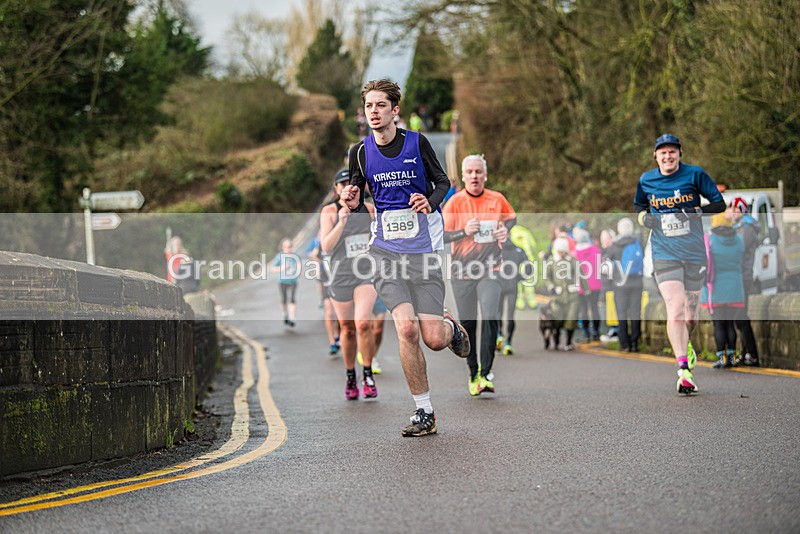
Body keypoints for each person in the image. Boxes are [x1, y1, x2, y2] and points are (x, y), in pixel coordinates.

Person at [341, 79, 470, 437]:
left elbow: (443, 182)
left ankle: (450, 327)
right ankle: (424, 411)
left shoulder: (417, 142)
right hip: (385, 252)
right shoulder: (360, 152)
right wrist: (352, 204)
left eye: (381, 105)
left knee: (434, 339)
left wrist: (430, 200)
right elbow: (358, 206)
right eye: (369, 106)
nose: (374, 111)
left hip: (423, 251)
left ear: (395, 110)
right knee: (406, 328)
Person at [635, 133, 725, 394]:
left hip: (694, 253)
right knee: (674, 308)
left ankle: (687, 343)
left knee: (690, 315)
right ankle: (684, 370)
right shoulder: (646, 179)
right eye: (663, 152)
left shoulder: (695, 175)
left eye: (672, 151)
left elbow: (719, 204)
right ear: (656, 156)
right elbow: (639, 207)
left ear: (679, 154)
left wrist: (697, 211)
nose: (668, 156)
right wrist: (644, 219)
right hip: (664, 253)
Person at [442, 154, 516, 396]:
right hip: (462, 273)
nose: (474, 176)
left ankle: (486, 373)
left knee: (491, 315)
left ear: (485, 175)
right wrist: (464, 231)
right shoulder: (454, 203)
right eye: (470, 172)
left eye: (478, 171)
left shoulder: (497, 199)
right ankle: (473, 372)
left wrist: (505, 231)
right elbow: (441, 235)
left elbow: (511, 219)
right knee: (469, 323)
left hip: (491, 270)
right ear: (463, 176)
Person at [320, 168, 380, 400]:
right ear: (336, 189)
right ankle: (350, 375)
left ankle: (368, 374)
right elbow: (326, 246)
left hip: (365, 272)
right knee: (347, 328)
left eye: (351, 183)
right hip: (341, 274)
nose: (347, 187)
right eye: (342, 184)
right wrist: (342, 222)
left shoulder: (370, 210)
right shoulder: (330, 211)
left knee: (363, 323)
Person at [701, 213, 746, 369]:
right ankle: (732, 357)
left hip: (715, 289)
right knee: (730, 324)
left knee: (719, 324)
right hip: (735, 287)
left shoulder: (710, 240)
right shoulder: (739, 240)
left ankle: (721, 358)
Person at [727, 197, 761, 366]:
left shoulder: (746, 228)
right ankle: (745, 352)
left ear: (741, 210)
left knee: (740, 316)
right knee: (738, 317)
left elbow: (737, 251)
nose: (730, 212)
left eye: (733, 208)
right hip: (737, 277)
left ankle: (752, 354)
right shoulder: (739, 227)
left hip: (742, 277)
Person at [607, 218, 644, 351]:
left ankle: (624, 343)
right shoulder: (637, 242)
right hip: (637, 282)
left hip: (620, 284)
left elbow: (606, 266)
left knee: (622, 313)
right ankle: (635, 343)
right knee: (635, 312)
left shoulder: (615, 245)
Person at [547, 237, 586, 350]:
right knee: (557, 319)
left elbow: (581, 275)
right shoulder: (551, 261)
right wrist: (551, 286)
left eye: (563, 251)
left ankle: (568, 342)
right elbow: (547, 277)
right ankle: (556, 339)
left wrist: (586, 289)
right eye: (560, 251)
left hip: (572, 295)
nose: (562, 253)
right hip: (557, 296)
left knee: (571, 319)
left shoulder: (573, 260)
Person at [307, 234, 340, 355]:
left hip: (340, 280)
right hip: (326, 279)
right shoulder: (322, 243)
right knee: (329, 312)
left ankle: (338, 334)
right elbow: (314, 255)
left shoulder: (340, 238)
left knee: (338, 314)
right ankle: (332, 343)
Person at [496, 237, 529, 355]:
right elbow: (529, 268)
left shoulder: (495, 249)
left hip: (498, 284)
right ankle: (508, 343)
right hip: (512, 284)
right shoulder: (519, 250)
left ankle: (499, 334)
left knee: (498, 313)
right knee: (510, 315)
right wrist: (520, 277)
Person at [573, 227, 602, 341]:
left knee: (583, 309)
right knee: (594, 308)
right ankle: (596, 331)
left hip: (581, 286)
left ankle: (586, 333)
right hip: (595, 285)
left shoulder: (575, 253)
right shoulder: (596, 250)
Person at [272, 238, 301, 327]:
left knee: (292, 299)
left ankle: (292, 318)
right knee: (284, 300)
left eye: (290, 246)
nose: (288, 248)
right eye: (286, 247)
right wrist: (282, 268)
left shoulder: (295, 256)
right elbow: (273, 269)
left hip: (293, 281)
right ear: (282, 247)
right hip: (283, 281)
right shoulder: (279, 256)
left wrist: (298, 272)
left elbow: (299, 267)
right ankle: (285, 314)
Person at [509, 224, 538, 310]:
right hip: (529, 259)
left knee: (517, 282)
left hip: (516, 260)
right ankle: (531, 301)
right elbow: (533, 246)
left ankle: (519, 302)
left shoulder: (511, 232)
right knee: (529, 282)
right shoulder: (526, 232)